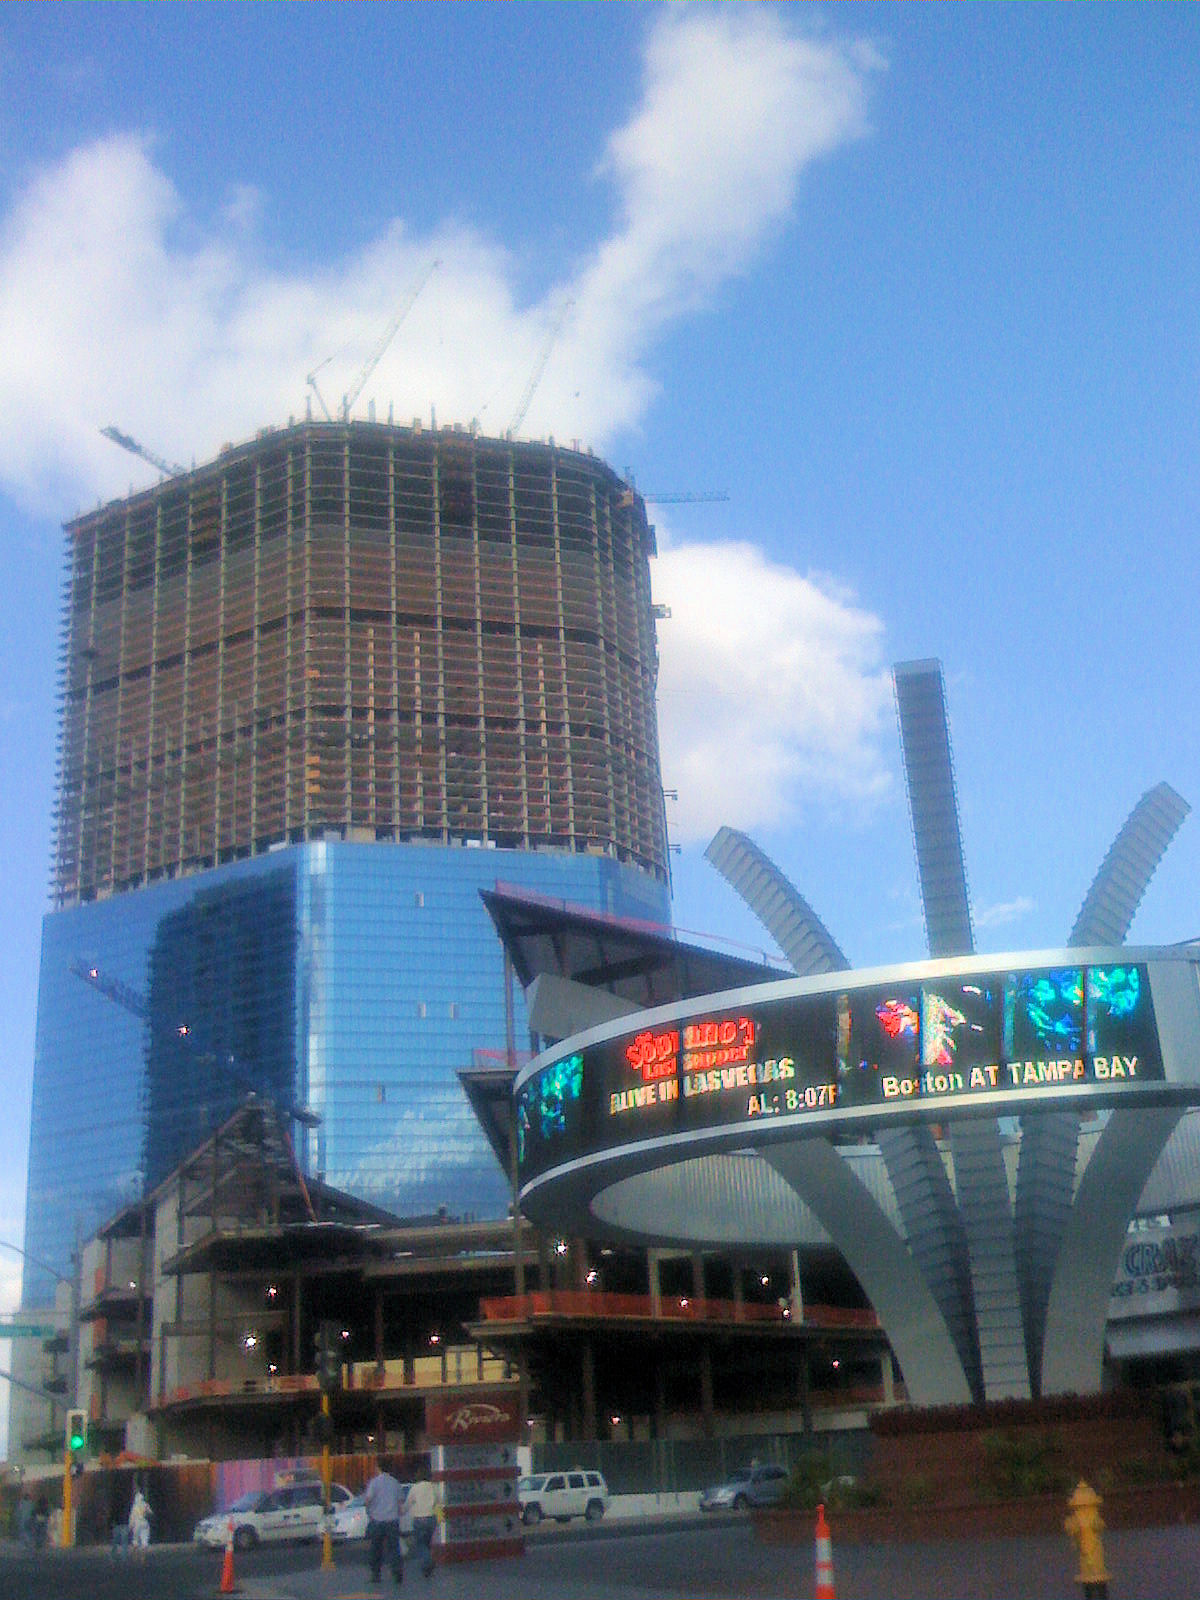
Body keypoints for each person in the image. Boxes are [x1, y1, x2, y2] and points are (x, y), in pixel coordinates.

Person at [363, 1458, 405, 1585]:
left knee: (376, 1549)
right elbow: (400, 1502)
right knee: (394, 1548)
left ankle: (376, 1575)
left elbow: (368, 1500)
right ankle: (397, 1571)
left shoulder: (374, 1483)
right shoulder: (395, 1482)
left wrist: (369, 1511)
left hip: (378, 1520)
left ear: (379, 1467)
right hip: (392, 1520)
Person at [403, 1469, 439, 1579]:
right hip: (431, 1518)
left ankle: (427, 1562)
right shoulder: (434, 1487)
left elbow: (408, 1503)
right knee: (427, 1543)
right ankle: (427, 1564)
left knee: (420, 1543)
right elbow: (440, 1501)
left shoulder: (415, 1488)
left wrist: (402, 1511)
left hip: (419, 1519)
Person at [128, 1485, 151, 1557]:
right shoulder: (145, 1504)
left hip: (137, 1523)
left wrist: (130, 1526)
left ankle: (134, 1557)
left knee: (135, 1541)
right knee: (144, 1542)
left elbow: (132, 1516)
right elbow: (150, 1512)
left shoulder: (135, 1506)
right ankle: (143, 1558)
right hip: (144, 1522)